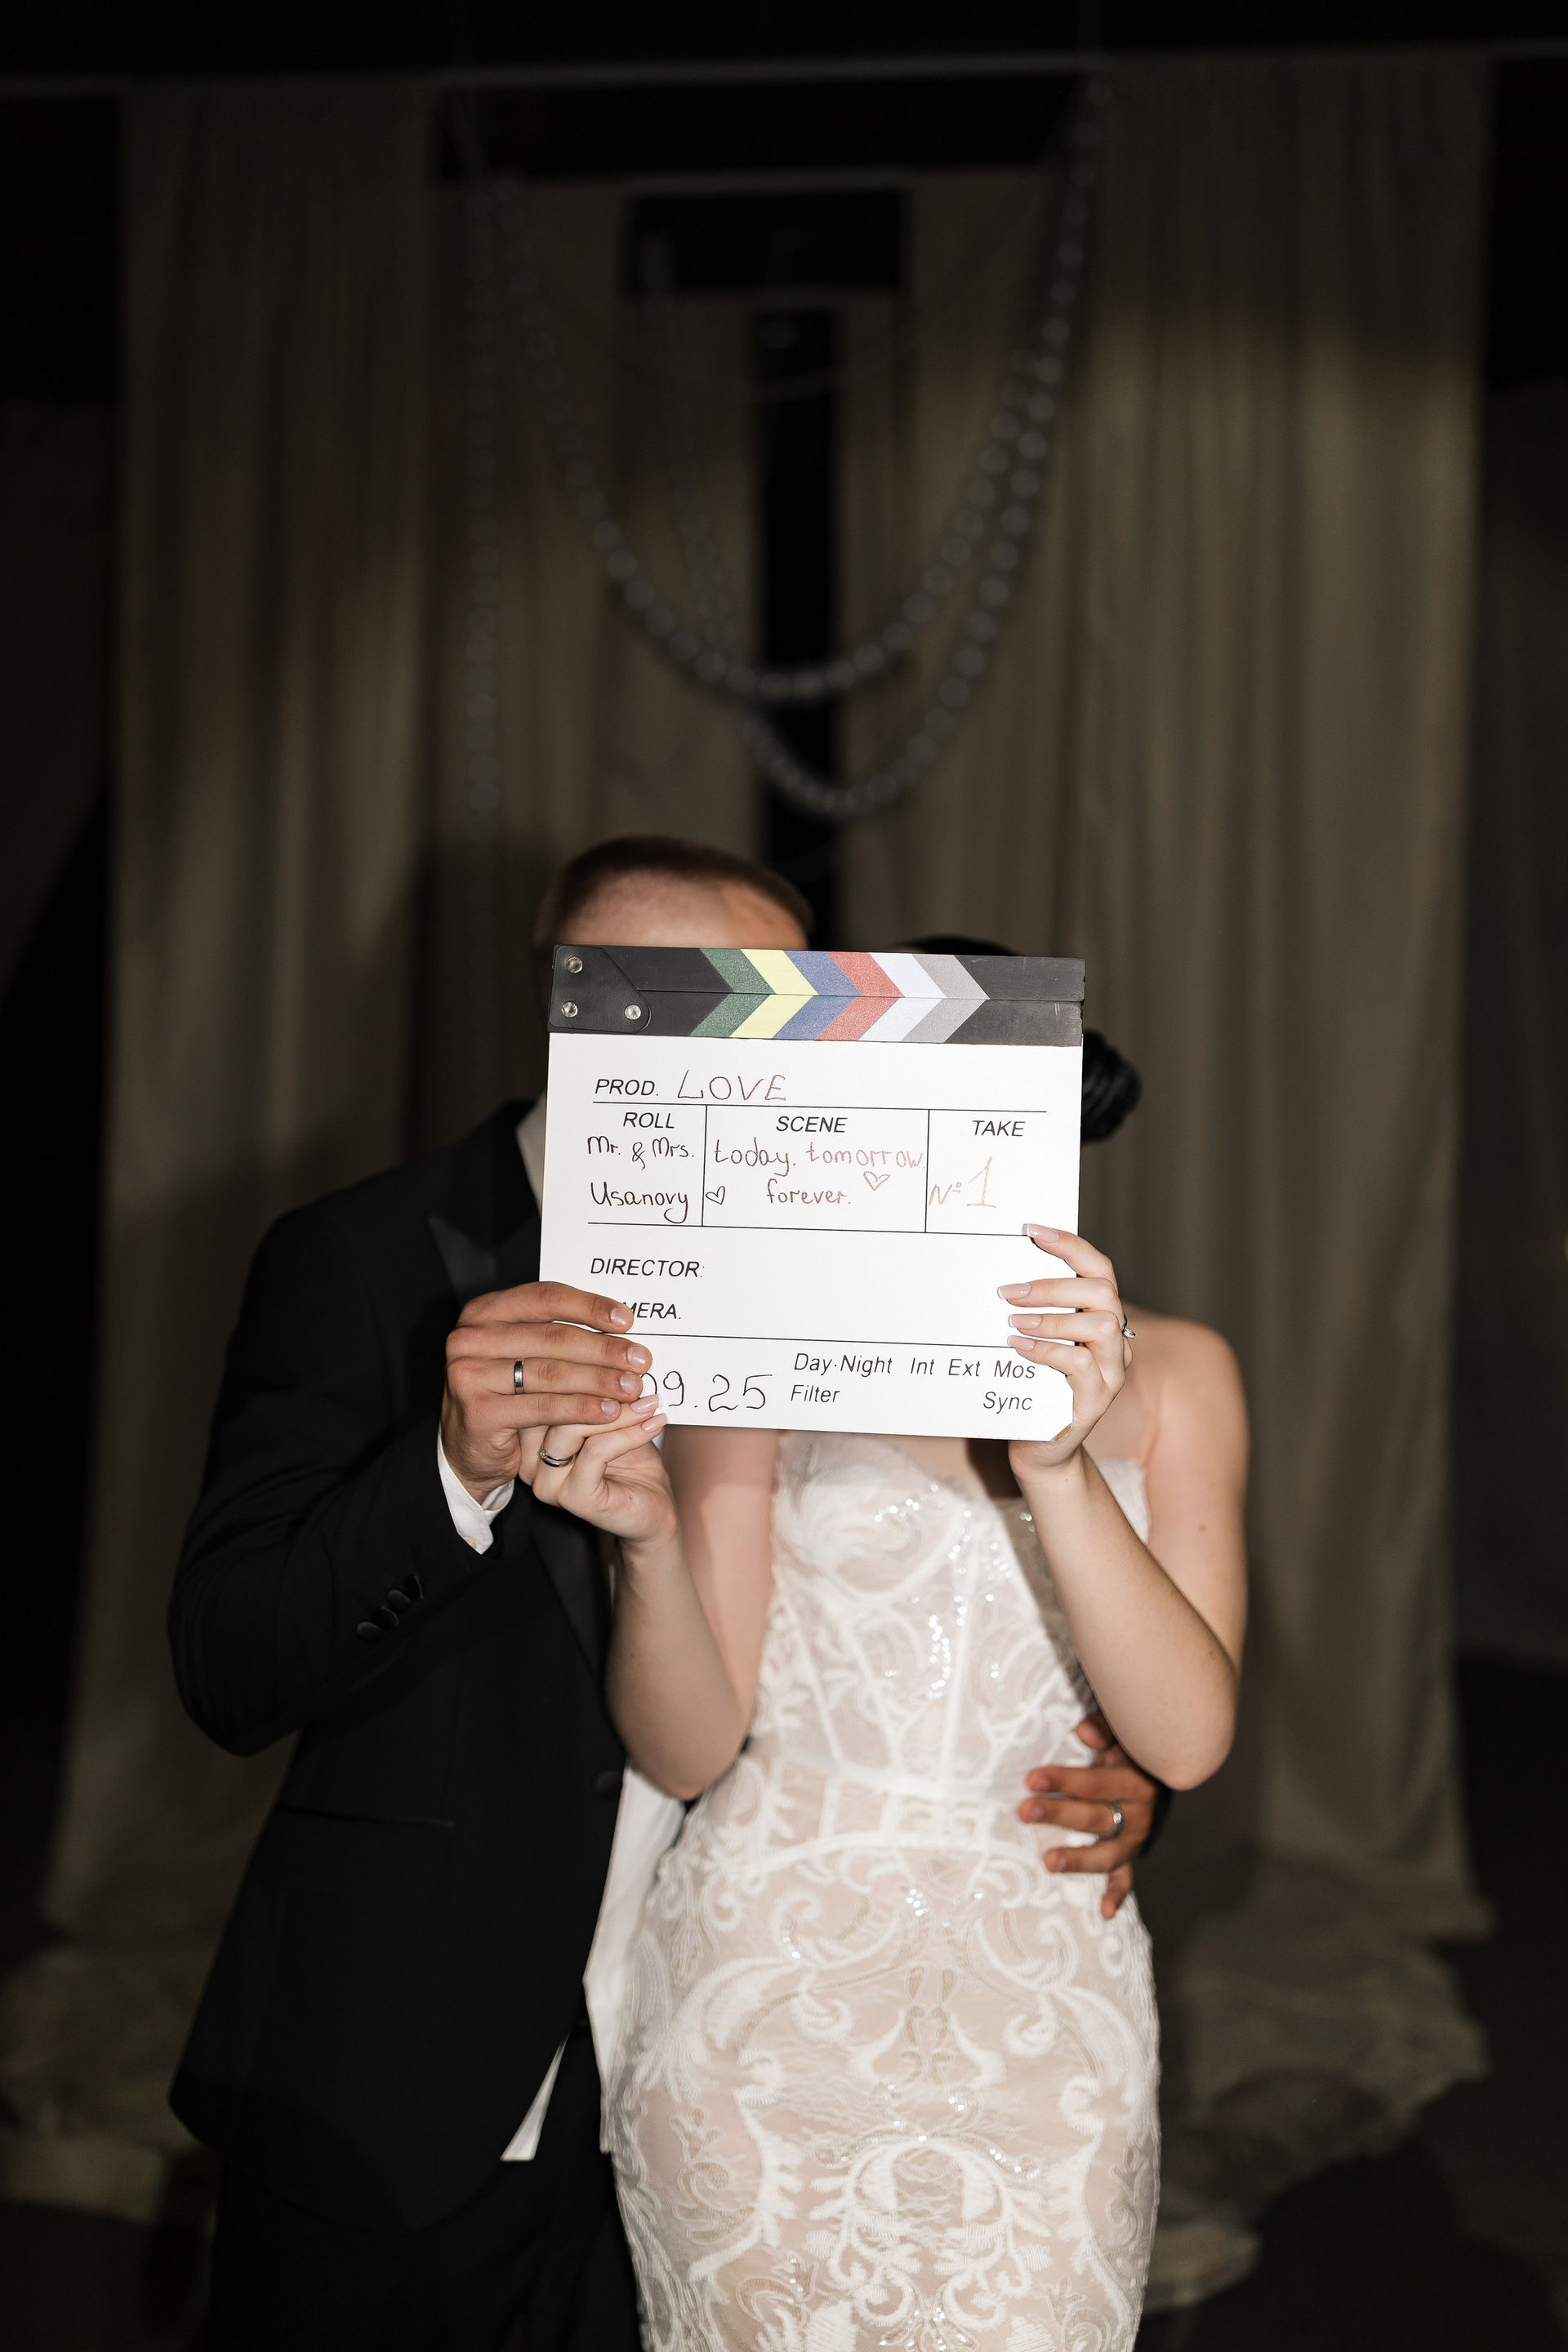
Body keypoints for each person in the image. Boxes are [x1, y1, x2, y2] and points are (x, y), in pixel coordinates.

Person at [167, 839, 1176, 2350]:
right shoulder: (363, 1255)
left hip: (752, 2042)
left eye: (752, 999)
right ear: (559, 1003)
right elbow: (228, 1662)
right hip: (416, 2052)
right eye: (648, 993)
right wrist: (449, 1468)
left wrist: (1101, 1767)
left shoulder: (890, 1273)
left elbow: (967, 1600)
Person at [521, 938, 1250, 2350]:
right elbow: (688, 1746)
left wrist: (1057, 1470)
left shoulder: (1181, 1373)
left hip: (1043, 1983)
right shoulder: (756, 1362)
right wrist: (649, 1542)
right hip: (760, 1982)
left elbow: (1187, 1739)